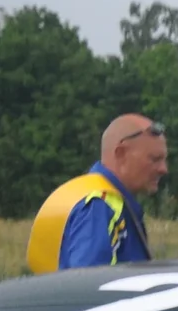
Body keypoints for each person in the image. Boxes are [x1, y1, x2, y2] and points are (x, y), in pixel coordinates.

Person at [25, 115, 166, 272]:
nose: (163, 169)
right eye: (154, 159)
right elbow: (89, 287)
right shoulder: (100, 206)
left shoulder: (84, 194)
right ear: (121, 153)